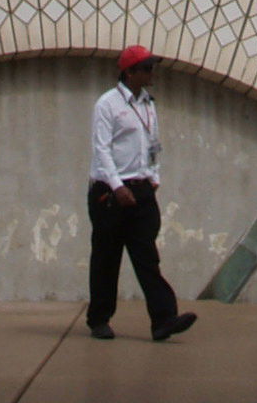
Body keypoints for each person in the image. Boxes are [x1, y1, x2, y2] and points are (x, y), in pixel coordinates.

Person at [84, 46, 196, 344]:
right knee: (107, 258)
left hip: (141, 189)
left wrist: (153, 176)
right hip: (110, 192)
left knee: (147, 256)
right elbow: (101, 148)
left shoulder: (148, 104)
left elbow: (153, 142)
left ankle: (164, 319)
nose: (151, 73)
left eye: (151, 67)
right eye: (146, 68)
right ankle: (99, 319)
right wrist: (117, 186)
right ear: (129, 72)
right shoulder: (107, 104)